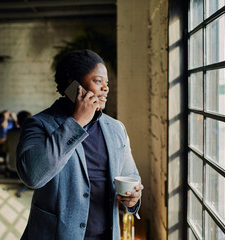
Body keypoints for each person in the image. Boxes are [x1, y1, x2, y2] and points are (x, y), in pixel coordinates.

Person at [16, 49, 144, 240]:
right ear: (73, 84)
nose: (106, 88)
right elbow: (32, 176)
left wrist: (133, 198)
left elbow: (130, 176)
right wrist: (76, 123)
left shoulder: (116, 128)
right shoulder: (39, 124)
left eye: (106, 83)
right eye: (98, 81)